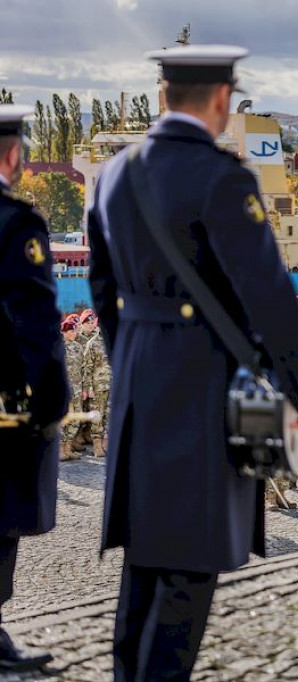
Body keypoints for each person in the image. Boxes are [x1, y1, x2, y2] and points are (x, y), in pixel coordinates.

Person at [87, 46, 298, 680]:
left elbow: (100, 290)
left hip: (141, 385)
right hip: (203, 385)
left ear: (162, 95)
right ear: (222, 99)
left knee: (144, 560)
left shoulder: (116, 173)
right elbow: (269, 296)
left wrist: (134, 363)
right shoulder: (222, 179)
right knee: (189, 567)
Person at [0, 105, 70, 672]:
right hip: (4, 404)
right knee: (1, 518)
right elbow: (36, 324)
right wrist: (52, 403)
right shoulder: (14, 222)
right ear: (11, 154)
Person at [81, 309, 112, 457]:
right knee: (98, 416)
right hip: (98, 386)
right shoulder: (92, 344)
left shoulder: (112, 341)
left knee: (109, 414)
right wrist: (88, 388)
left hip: (112, 384)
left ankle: (106, 443)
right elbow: (87, 368)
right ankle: (97, 445)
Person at [60, 315, 84, 462]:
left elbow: (84, 369)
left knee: (75, 419)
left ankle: (68, 448)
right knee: (63, 418)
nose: (74, 333)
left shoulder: (78, 347)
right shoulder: (59, 346)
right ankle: (60, 450)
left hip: (77, 388)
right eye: (71, 331)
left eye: (75, 331)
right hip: (65, 388)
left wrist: (85, 388)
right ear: (65, 331)